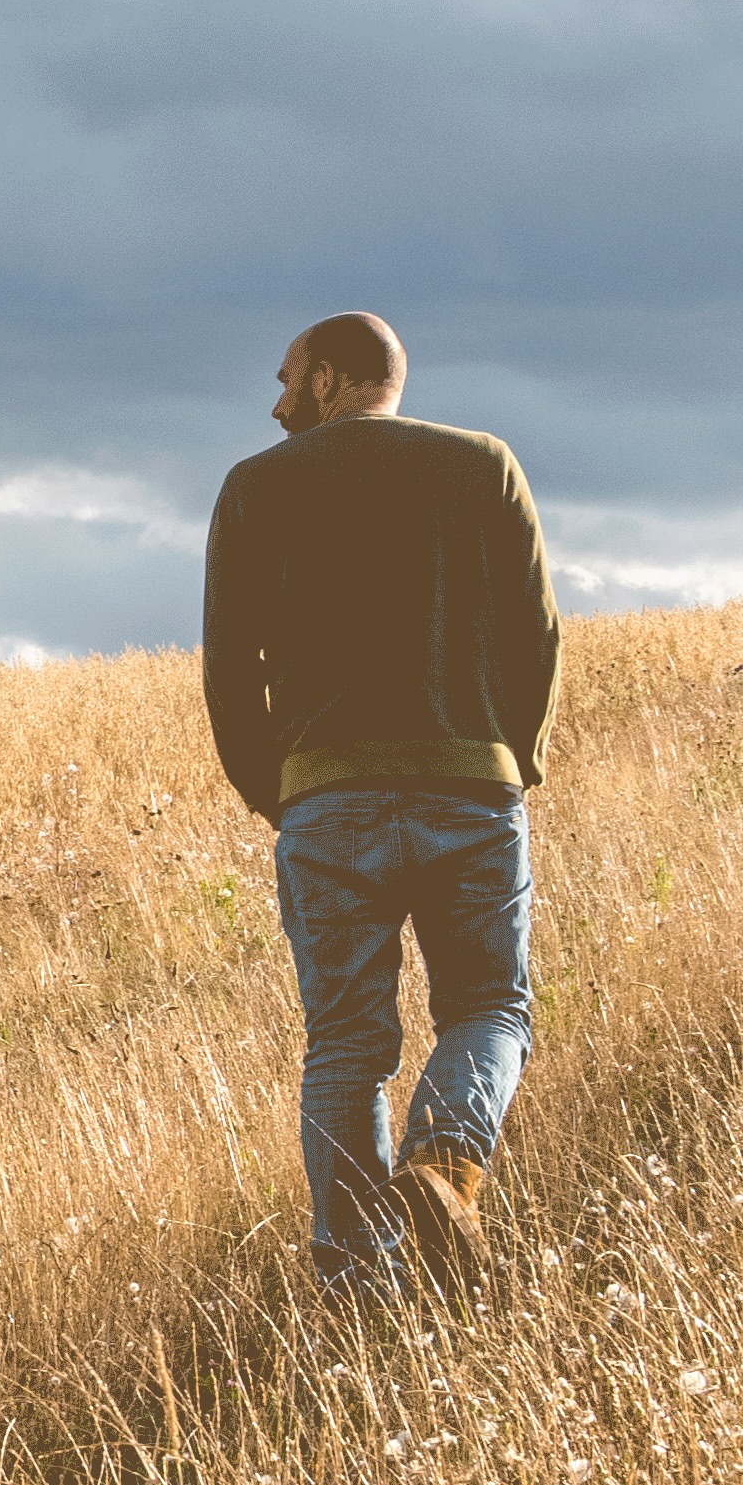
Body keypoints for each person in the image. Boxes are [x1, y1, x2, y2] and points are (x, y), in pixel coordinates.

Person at [202, 310, 556, 1287]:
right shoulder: (485, 465)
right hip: (469, 794)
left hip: (327, 801)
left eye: (288, 378)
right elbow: (536, 639)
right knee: (489, 1009)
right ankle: (445, 1168)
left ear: (332, 378)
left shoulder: (255, 487)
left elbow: (231, 672)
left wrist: (283, 795)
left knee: (348, 1046)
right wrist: (511, 761)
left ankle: (361, 1278)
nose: (276, 404)